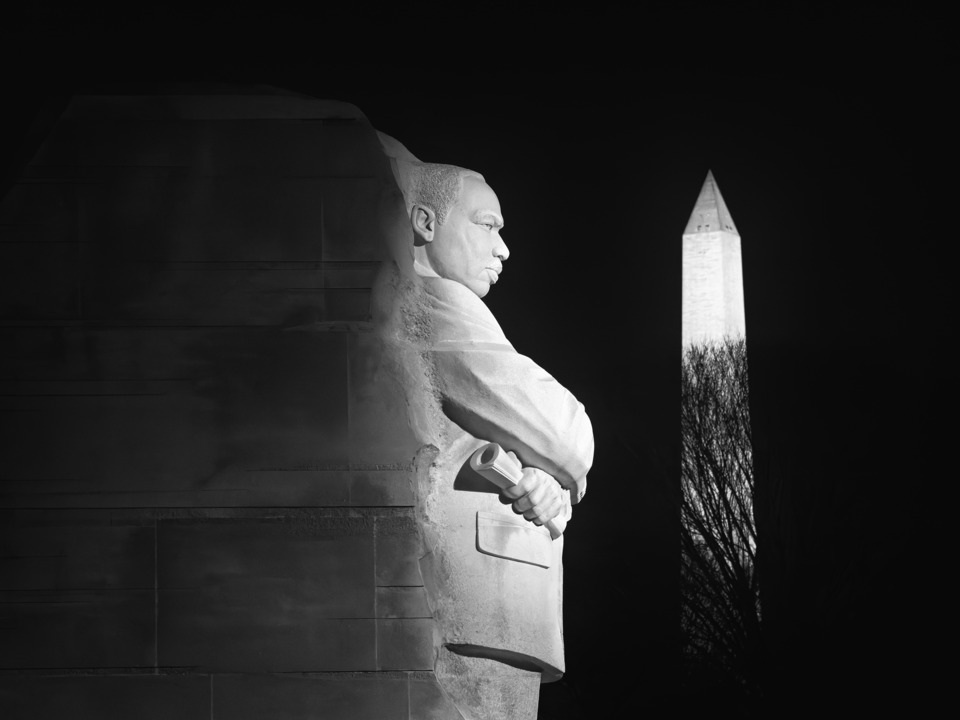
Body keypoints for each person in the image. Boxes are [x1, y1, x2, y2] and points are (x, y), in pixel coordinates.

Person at [386, 156, 594, 720]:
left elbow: (535, 447)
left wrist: (549, 480)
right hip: (477, 594)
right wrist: (557, 463)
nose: (503, 248)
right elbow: (564, 430)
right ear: (425, 223)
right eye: (487, 224)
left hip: (498, 601)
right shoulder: (434, 304)